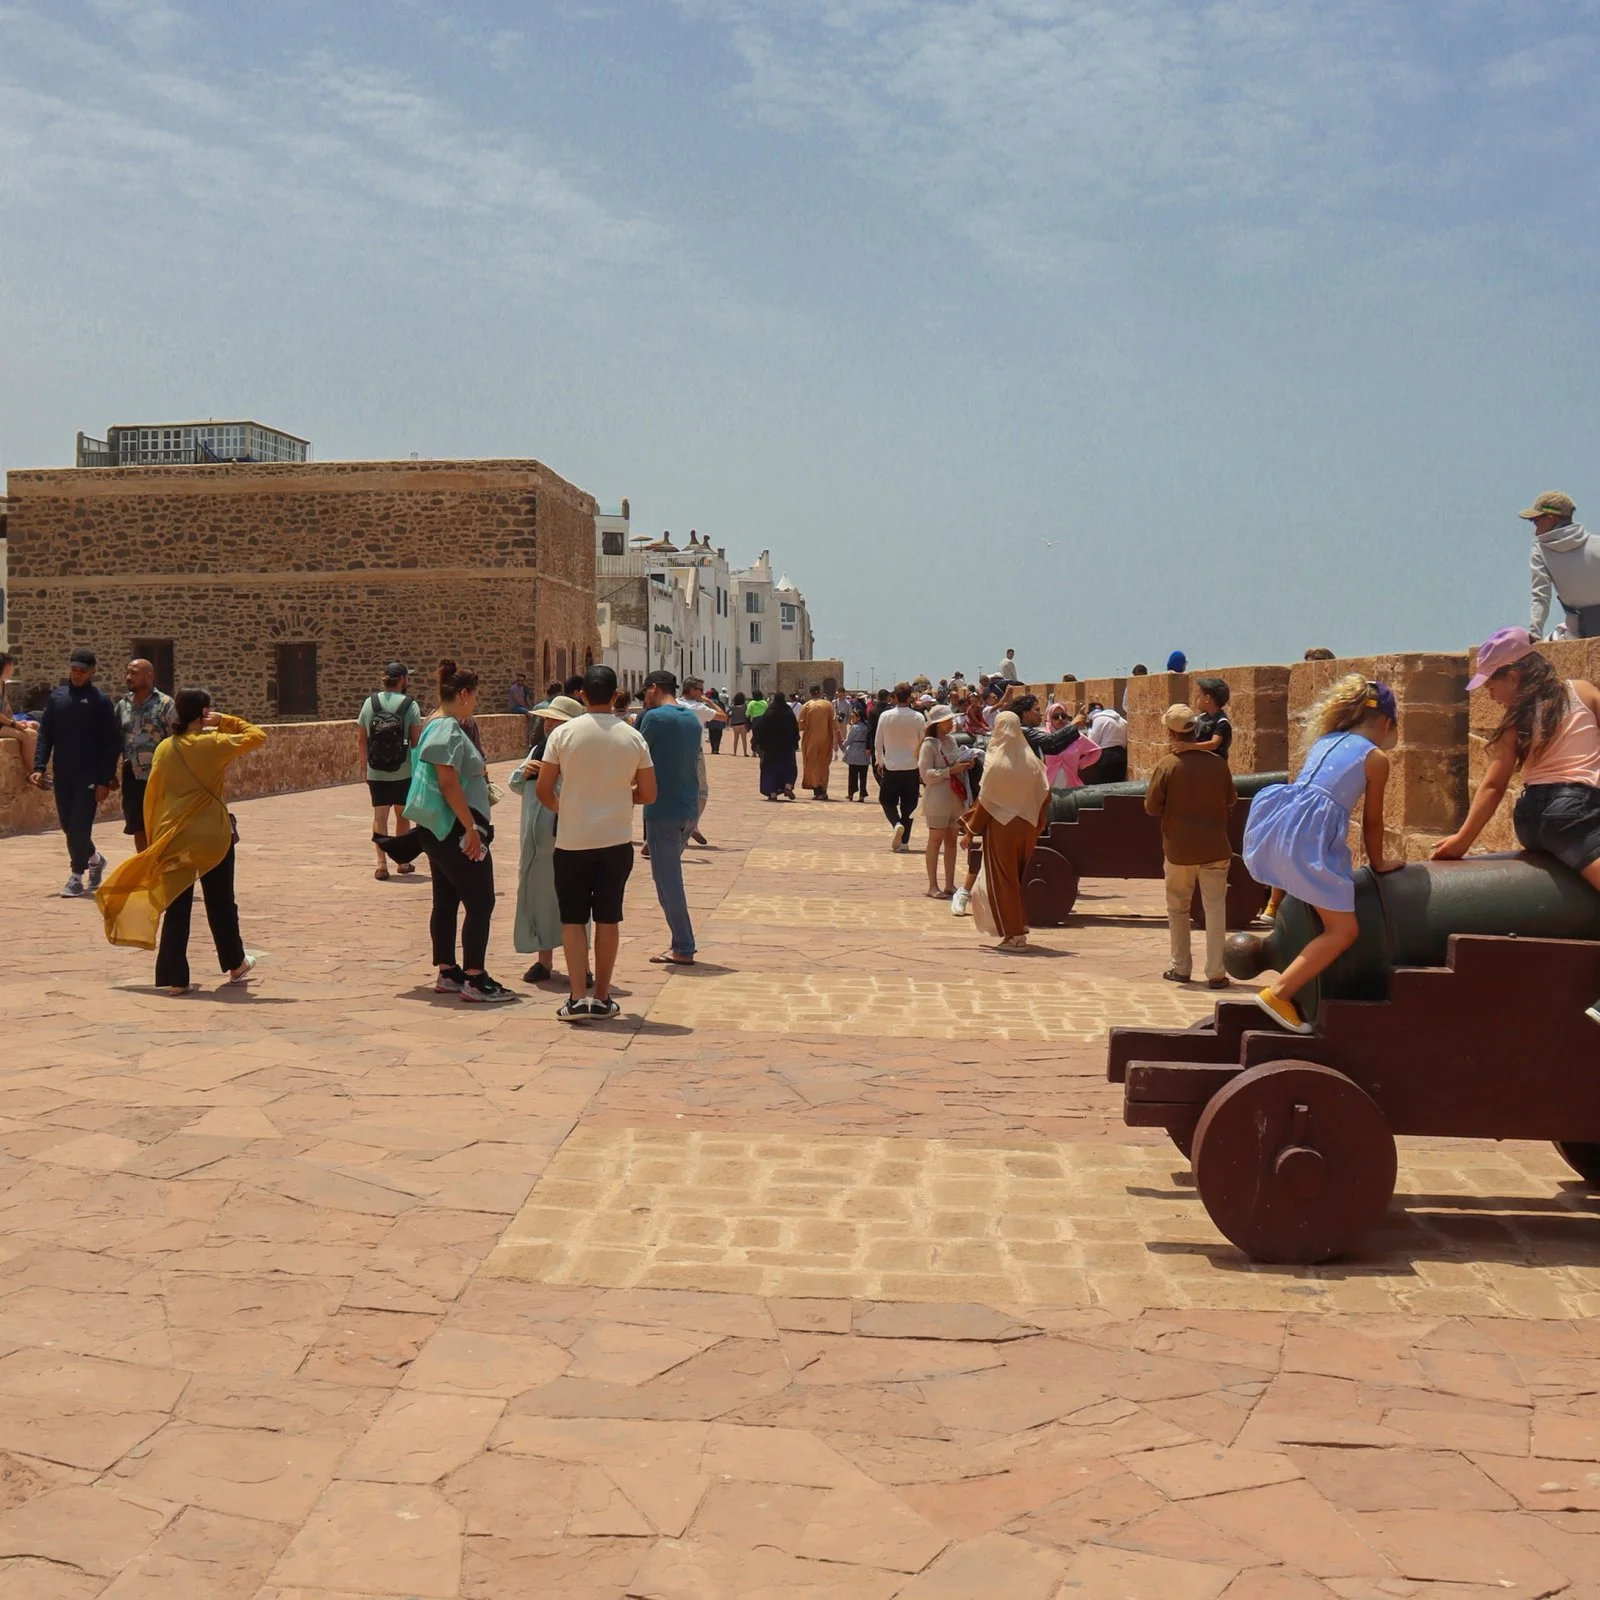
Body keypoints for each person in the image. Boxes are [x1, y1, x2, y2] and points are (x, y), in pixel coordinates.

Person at [1434, 628, 1600, 1024]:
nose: (1490, 693)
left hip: (1533, 818)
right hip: (1573, 813)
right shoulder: (1584, 693)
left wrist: (1463, 839)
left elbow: (1495, 784)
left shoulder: (1518, 721)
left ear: (1514, 674)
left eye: (1491, 682)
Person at [1243, 674, 1403, 1033]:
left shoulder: (1326, 740)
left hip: (1283, 825)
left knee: (1312, 901)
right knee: (1343, 931)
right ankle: (1279, 993)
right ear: (1386, 723)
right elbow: (1373, 822)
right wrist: (1379, 864)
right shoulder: (1375, 758)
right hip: (1311, 838)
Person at [96, 688, 263, 994]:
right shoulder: (213, 743)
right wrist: (223, 720)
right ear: (204, 713)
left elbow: (154, 796)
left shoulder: (164, 749)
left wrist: (156, 838)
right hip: (212, 836)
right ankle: (236, 964)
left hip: (174, 835)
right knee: (221, 902)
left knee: (178, 904)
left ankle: (176, 978)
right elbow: (256, 736)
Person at [389, 661, 515, 1003]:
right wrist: (470, 828)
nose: (476, 703)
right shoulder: (446, 729)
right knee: (481, 900)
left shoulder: (431, 723)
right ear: (462, 694)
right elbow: (447, 781)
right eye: (474, 697)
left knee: (445, 899)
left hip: (436, 829)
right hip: (452, 830)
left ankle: (448, 971)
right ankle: (475, 977)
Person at [537, 664, 656, 1021]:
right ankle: (602, 996)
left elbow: (544, 789)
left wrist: (569, 807)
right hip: (615, 840)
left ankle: (576, 997)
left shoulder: (563, 734)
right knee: (608, 918)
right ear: (617, 694)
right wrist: (620, 796)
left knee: (572, 920)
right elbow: (648, 793)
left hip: (572, 841)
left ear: (583, 695)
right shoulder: (633, 737)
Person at [1146, 704, 1237, 989]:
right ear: (1196, 730)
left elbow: (1151, 807)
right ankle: (1217, 972)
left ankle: (1181, 967)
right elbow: (1231, 799)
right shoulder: (1217, 764)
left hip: (1179, 849)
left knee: (1178, 908)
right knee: (1215, 909)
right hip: (1214, 847)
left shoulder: (1167, 765)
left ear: (1170, 732)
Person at [29, 647, 119, 898]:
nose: (77, 675)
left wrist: (104, 779)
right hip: (63, 774)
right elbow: (46, 735)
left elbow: (110, 743)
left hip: (89, 775)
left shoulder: (100, 701)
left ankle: (76, 875)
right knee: (69, 826)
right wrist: (38, 766)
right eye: (74, 670)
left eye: (82, 671)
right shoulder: (57, 698)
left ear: (92, 672)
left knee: (80, 827)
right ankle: (95, 859)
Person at [508, 694, 584, 985]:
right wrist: (525, 771)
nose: (551, 725)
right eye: (549, 720)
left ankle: (581, 965)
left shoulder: (577, 754)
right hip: (534, 840)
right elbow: (516, 783)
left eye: (557, 721)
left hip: (566, 836)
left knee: (573, 901)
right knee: (539, 899)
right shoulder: (539, 748)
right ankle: (544, 960)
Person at [966, 711, 1050, 950]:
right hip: (1028, 827)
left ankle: (1014, 936)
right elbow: (1046, 795)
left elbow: (986, 800)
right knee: (1017, 879)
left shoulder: (997, 761)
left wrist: (971, 829)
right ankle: (1018, 923)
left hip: (1003, 828)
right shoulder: (1032, 761)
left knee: (1004, 881)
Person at [638, 670, 704, 966]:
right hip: (688, 809)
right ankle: (681, 943)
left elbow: (636, 754)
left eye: (645, 694)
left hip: (662, 809)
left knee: (667, 881)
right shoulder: (691, 718)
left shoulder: (654, 718)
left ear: (653, 688)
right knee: (669, 876)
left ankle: (683, 946)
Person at [358, 662, 422, 882]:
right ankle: (402, 861)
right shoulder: (410, 705)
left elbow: (361, 740)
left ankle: (381, 864)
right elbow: (416, 742)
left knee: (380, 816)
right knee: (402, 815)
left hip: (376, 770)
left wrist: (364, 768)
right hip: (403, 770)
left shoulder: (370, 703)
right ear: (403, 679)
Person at [112, 658, 177, 855]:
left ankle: (162, 867)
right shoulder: (123, 705)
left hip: (160, 778)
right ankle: (145, 870)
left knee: (160, 825)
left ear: (149, 676)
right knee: (137, 826)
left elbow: (178, 740)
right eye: (128, 673)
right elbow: (115, 741)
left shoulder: (165, 704)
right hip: (133, 776)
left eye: (134, 673)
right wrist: (109, 773)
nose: (128, 677)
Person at [1524, 491, 1600, 640]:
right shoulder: (1597, 544)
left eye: (1537, 522)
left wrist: (1535, 634)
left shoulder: (1540, 551)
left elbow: (1541, 597)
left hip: (1577, 634)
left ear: (1551, 519)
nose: (1536, 531)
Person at [917, 704, 974, 897]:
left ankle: (949, 884)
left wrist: (966, 764)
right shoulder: (929, 745)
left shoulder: (951, 741)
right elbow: (926, 775)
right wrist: (949, 771)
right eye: (948, 720)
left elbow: (956, 762)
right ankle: (933, 885)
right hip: (938, 797)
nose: (951, 723)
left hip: (954, 797)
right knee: (935, 841)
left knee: (951, 841)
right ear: (939, 723)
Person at [874, 683, 925, 851]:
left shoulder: (886, 716)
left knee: (887, 800)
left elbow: (878, 742)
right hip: (911, 767)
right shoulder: (918, 717)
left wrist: (880, 761)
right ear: (909, 697)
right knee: (909, 805)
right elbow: (922, 742)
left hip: (892, 766)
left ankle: (896, 823)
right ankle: (904, 842)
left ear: (894, 697)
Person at [679, 677, 726, 844]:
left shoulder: (675, 704)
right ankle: (693, 824)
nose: (702, 692)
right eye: (700, 689)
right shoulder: (698, 707)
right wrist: (708, 701)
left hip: (675, 752)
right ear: (691, 690)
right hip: (694, 753)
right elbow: (723, 717)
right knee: (702, 791)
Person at [752, 691, 800, 801]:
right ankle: (788, 786)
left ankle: (773, 793)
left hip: (771, 749)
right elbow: (795, 729)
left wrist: (759, 744)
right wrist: (794, 743)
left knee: (771, 770)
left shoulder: (769, 713)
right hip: (787, 748)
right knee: (788, 768)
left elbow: (761, 730)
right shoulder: (789, 713)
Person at [1042, 702, 1100, 789]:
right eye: (1056, 716)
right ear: (1050, 719)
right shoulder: (1044, 736)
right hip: (1048, 786)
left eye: (1063, 716)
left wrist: (1081, 764)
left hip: (1071, 786)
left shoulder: (1077, 736)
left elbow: (1096, 751)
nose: (1060, 719)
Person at [797, 684, 840, 800]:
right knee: (824, 765)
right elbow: (835, 723)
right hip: (826, 739)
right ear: (820, 692)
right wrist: (839, 738)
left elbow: (800, 725)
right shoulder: (828, 705)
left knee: (812, 765)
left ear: (810, 693)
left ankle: (817, 789)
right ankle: (823, 789)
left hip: (811, 740)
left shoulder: (806, 706)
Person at [0, 653, 38, 774]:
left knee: (34, 728)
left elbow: (6, 709)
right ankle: (32, 772)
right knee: (26, 736)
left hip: (4, 723)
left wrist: (18, 722)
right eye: (11, 664)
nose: (12, 667)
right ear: (4, 666)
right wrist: (14, 725)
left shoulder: (2, 684)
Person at [1086, 702, 1129, 783]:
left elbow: (1092, 743)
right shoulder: (1122, 720)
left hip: (1106, 757)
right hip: (1122, 756)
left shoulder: (1098, 720)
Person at [1193, 676, 1233, 763]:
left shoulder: (1222, 722)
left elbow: (1214, 744)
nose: (1197, 699)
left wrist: (1188, 746)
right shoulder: (1200, 718)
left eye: (1200, 696)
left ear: (1207, 699)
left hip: (1216, 769)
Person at [842, 707, 872, 800]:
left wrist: (843, 745)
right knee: (863, 777)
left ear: (859, 717)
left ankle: (851, 793)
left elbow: (849, 739)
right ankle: (862, 795)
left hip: (854, 752)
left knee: (852, 775)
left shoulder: (855, 727)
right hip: (864, 753)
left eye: (853, 717)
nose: (852, 719)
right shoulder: (867, 727)